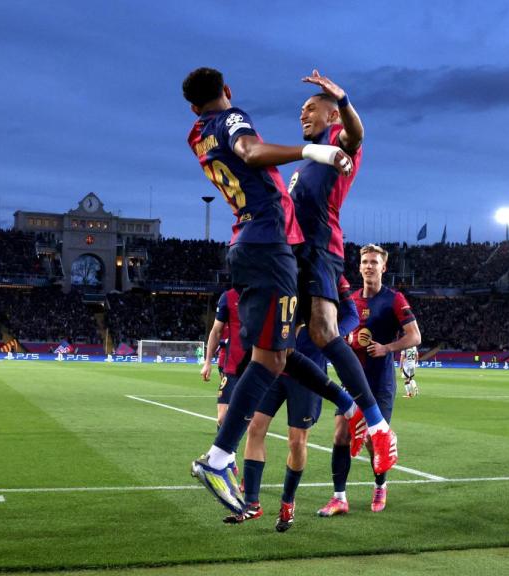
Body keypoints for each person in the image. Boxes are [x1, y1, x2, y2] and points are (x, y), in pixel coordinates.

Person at [183, 67, 378, 515]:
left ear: (195, 107)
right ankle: (217, 458)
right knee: (271, 360)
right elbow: (250, 151)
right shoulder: (231, 120)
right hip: (270, 245)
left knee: (278, 354)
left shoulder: (198, 134)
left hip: (244, 245)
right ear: (227, 93)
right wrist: (315, 151)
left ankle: (344, 405)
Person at [288, 70, 396, 459]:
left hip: (320, 250)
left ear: (330, 116)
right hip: (294, 256)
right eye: (301, 109)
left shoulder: (337, 140)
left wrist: (343, 98)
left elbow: (358, 135)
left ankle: (376, 423)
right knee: (278, 347)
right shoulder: (304, 161)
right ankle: (352, 407)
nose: (303, 114)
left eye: (311, 108)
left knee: (324, 333)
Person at [235, 276, 358, 532]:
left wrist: (326, 335)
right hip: (274, 364)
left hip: (308, 370)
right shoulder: (282, 265)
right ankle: (251, 502)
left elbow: (352, 316)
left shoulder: (330, 273)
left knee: (297, 441)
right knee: (255, 428)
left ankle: (288, 503)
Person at [318, 244, 420, 516]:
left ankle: (380, 486)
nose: (368, 266)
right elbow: (338, 333)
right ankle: (339, 497)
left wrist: (387, 347)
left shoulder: (394, 299)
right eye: (365, 261)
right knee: (340, 433)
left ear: (383, 267)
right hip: (353, 380)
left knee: (376, 441)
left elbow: (415, 336)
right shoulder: (350, 300)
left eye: (374, 262)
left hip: (381, 381)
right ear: (359, 266)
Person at [201, 288, 244, 427]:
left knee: (253, 422)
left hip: (257, 366)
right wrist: (207, 362)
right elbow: (216, 331)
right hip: (232, 366)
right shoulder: (228, 297)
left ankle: (229, 448)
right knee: (222, 417)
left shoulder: (265, 293)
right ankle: (225, 448)